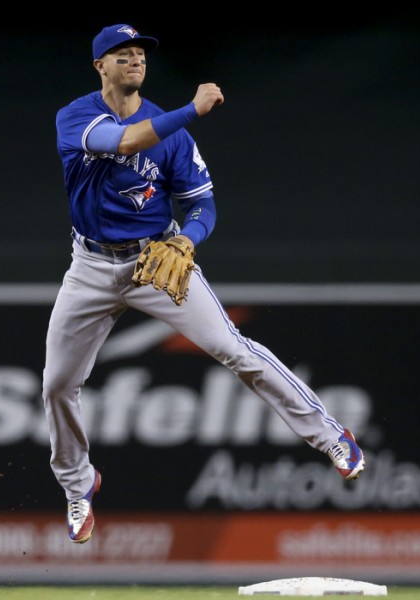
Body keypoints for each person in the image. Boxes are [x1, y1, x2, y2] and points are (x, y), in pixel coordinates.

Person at [43, 23, 365, 545]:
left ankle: (331, 436)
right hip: (92, 268)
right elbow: (124, 141)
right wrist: (192, 109)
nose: (135, 61)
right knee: (58, 384)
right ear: (99, 66)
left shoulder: (172, 135)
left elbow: (201, 203)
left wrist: (188, 240)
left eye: (140, 54)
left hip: (156, 261)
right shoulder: (77, 116)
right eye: (121, 55)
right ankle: (78, 486)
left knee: (231, 347)